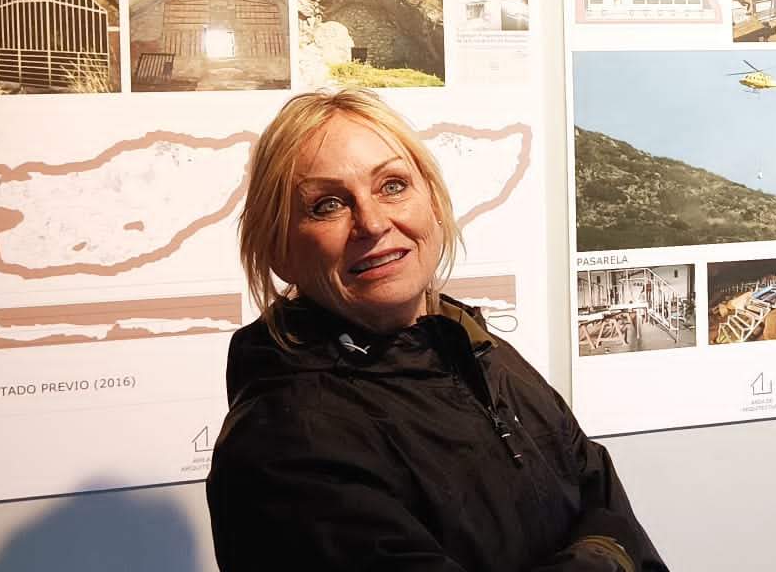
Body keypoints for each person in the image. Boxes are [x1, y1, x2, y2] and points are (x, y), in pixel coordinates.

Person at [206, 89, 666, 572]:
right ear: (279, 250)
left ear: (434, 203)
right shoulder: (284, 442)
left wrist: (609, 549)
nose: (373, 223)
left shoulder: (477, 351)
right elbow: (614, 537)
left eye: (392, 186)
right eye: (327, 205)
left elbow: (604, 499)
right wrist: (607, 556)